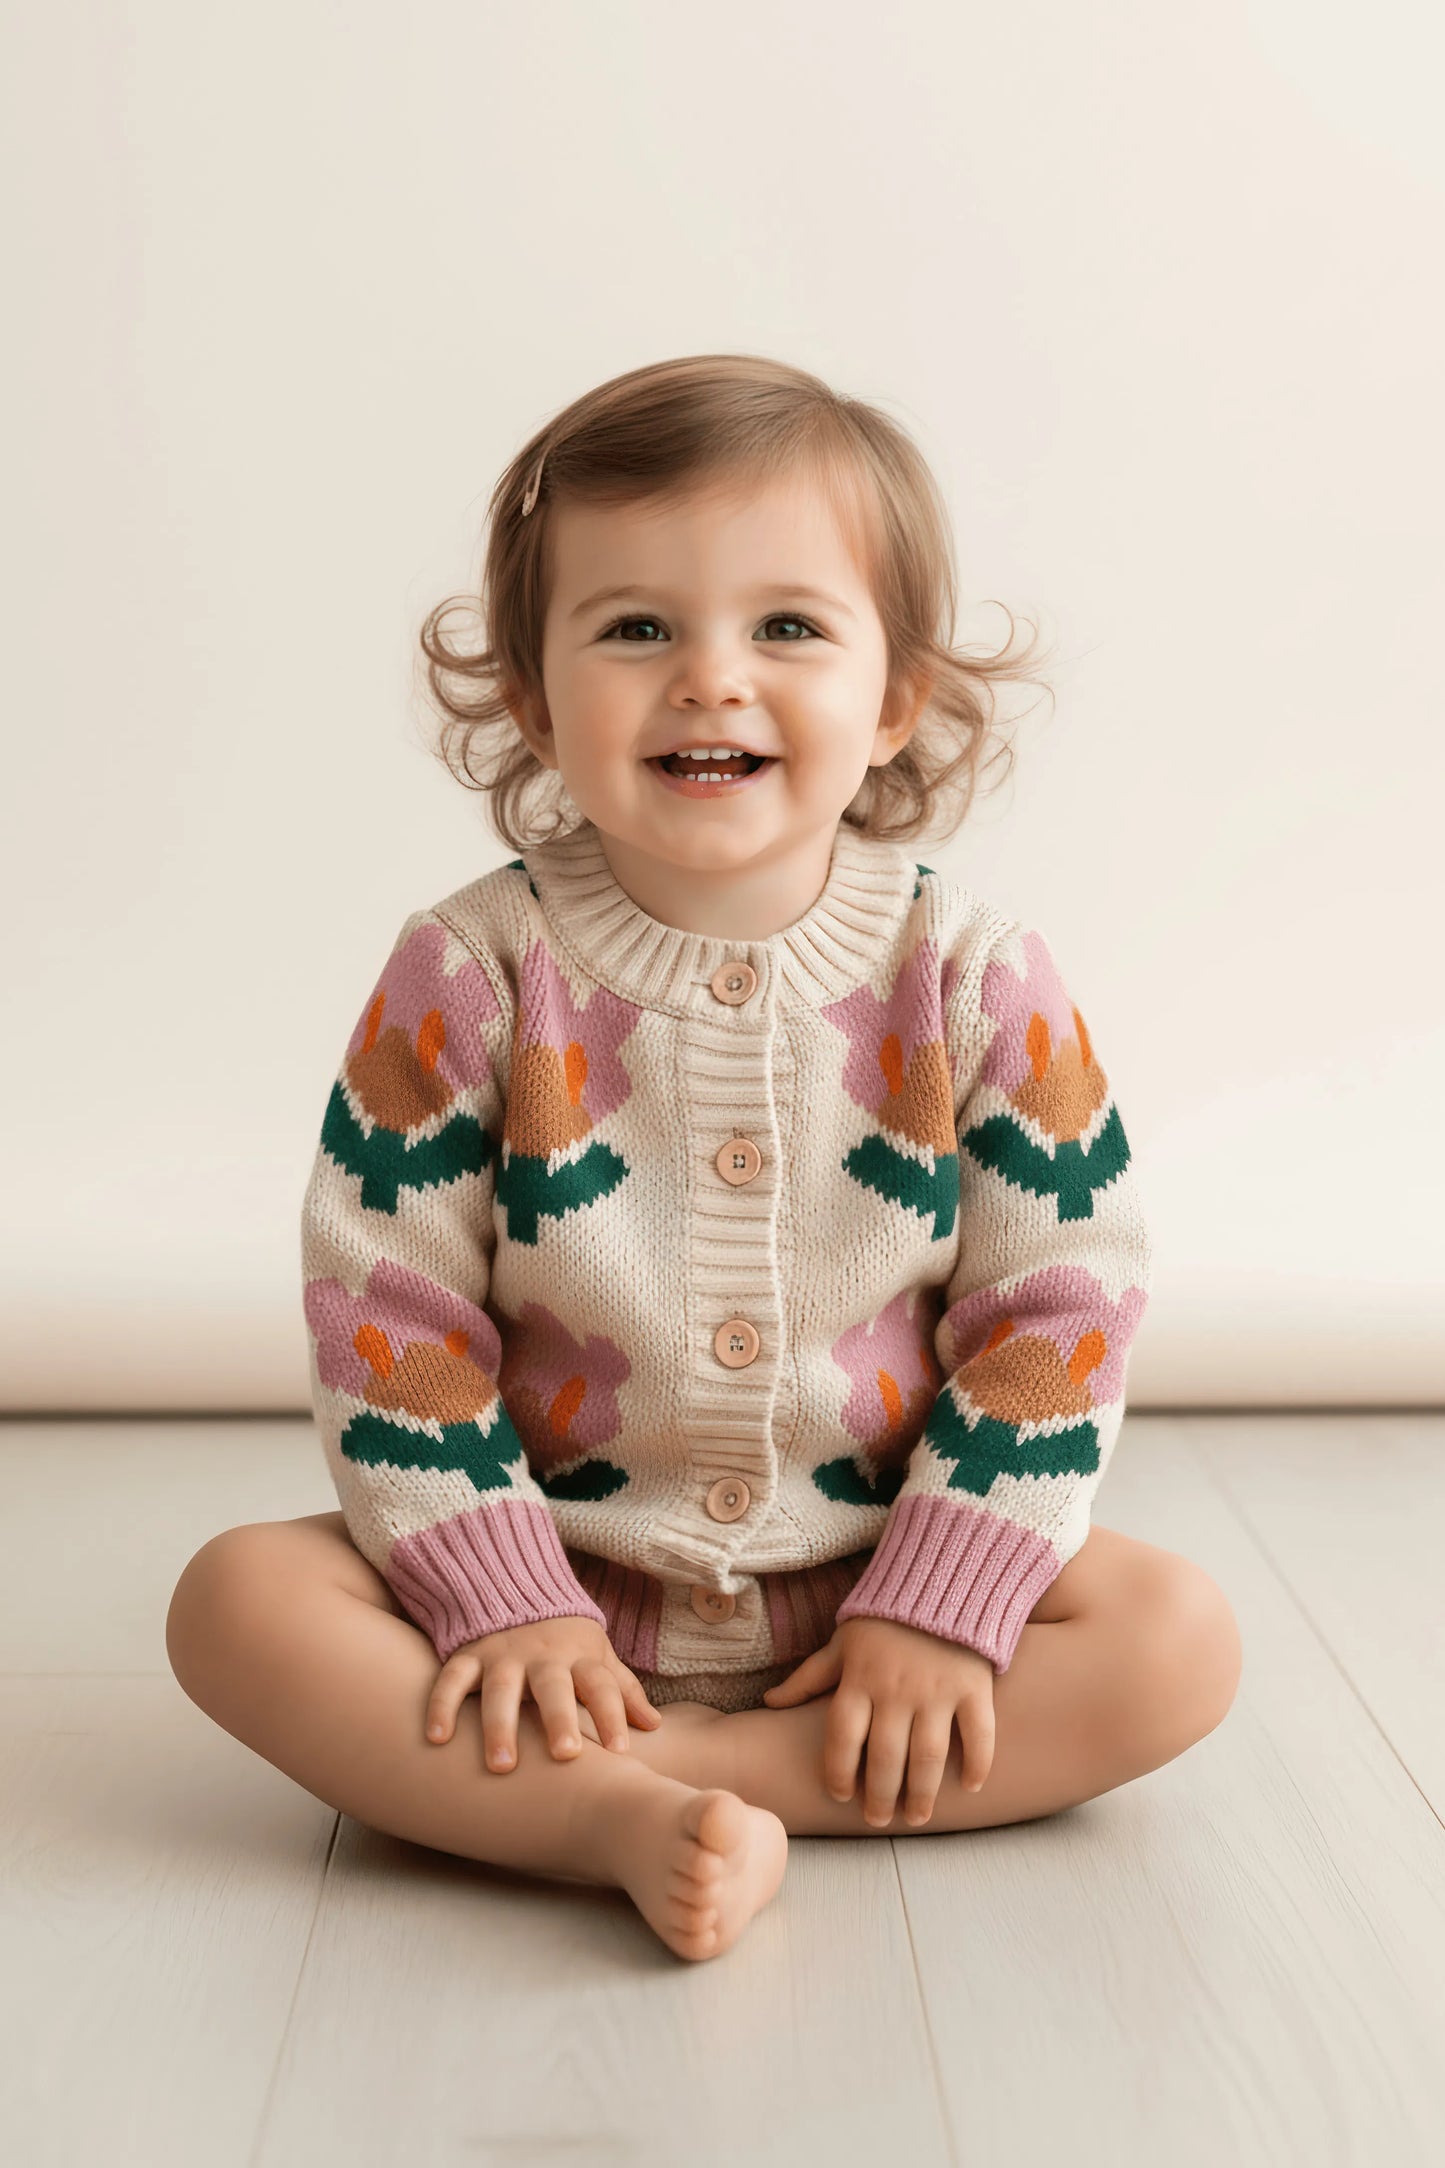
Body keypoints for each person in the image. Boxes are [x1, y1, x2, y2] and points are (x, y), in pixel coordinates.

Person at [166, 353, 1242, 1964]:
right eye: (634, 629)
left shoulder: (975, 977)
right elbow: (388, 1311)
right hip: (546, 1592)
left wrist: (940, 1602)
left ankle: (636, 1794)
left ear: (894, 697)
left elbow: (1060, 1304)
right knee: (237, 1604)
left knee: (1174, 1639)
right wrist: (500, 1595)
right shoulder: (468, 974)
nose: (710, 680)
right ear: (535, 697)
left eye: (786, 627)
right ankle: (615, 1807)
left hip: (868, 1590)